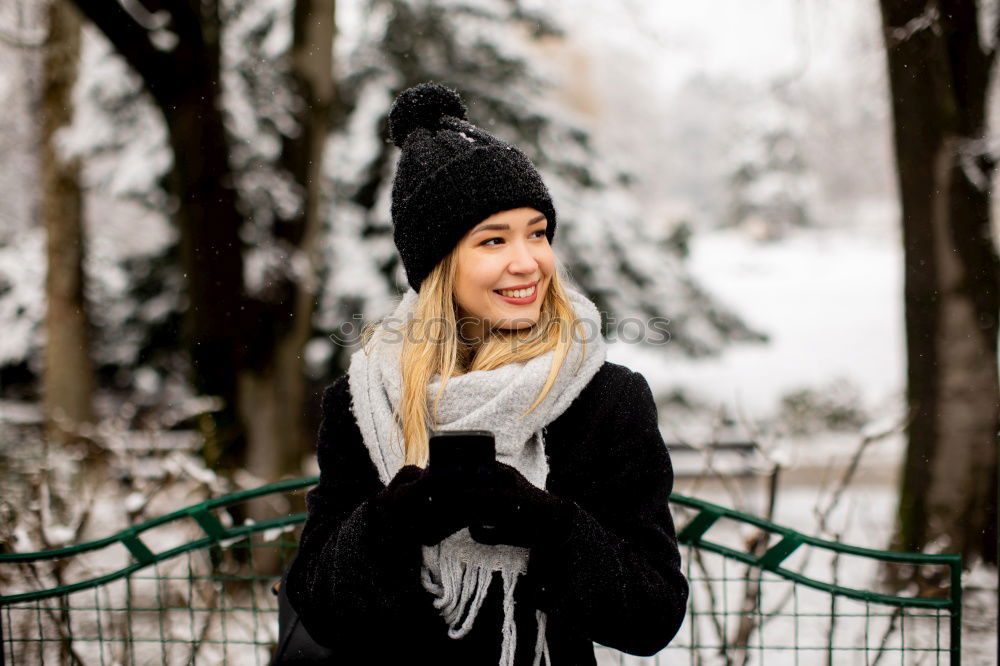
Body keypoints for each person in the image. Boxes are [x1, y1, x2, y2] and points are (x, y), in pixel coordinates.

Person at [283, 82, 688, 665]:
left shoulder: (605, 397)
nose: (528, 262)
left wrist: (550, 525)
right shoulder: (364, 399)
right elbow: (320, 605)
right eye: (493, 240)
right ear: (439, 266)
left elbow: (653, 616)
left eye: (538, 233)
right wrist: (393, 522)